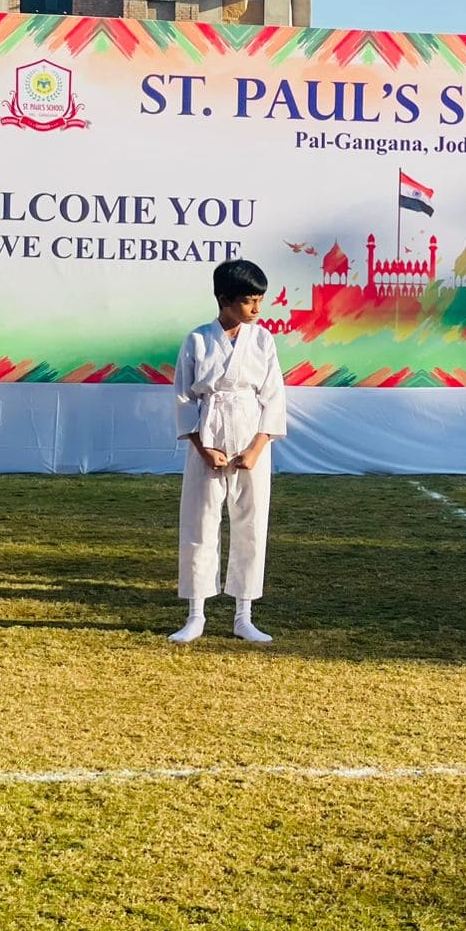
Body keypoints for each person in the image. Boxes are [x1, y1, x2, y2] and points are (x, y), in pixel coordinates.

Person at [170, 258, 287, 644]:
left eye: (260, 301)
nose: (256, 309)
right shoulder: (197, 340)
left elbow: (273, 397)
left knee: (251, 523)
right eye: (248, 301)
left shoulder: (263, 340)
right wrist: (203, 447)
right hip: (209, 433)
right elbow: (184, 397)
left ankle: (244, 614)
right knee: (200, 521)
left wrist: (257, 447)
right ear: (224, 300)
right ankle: (196, 614)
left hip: (250, 434)